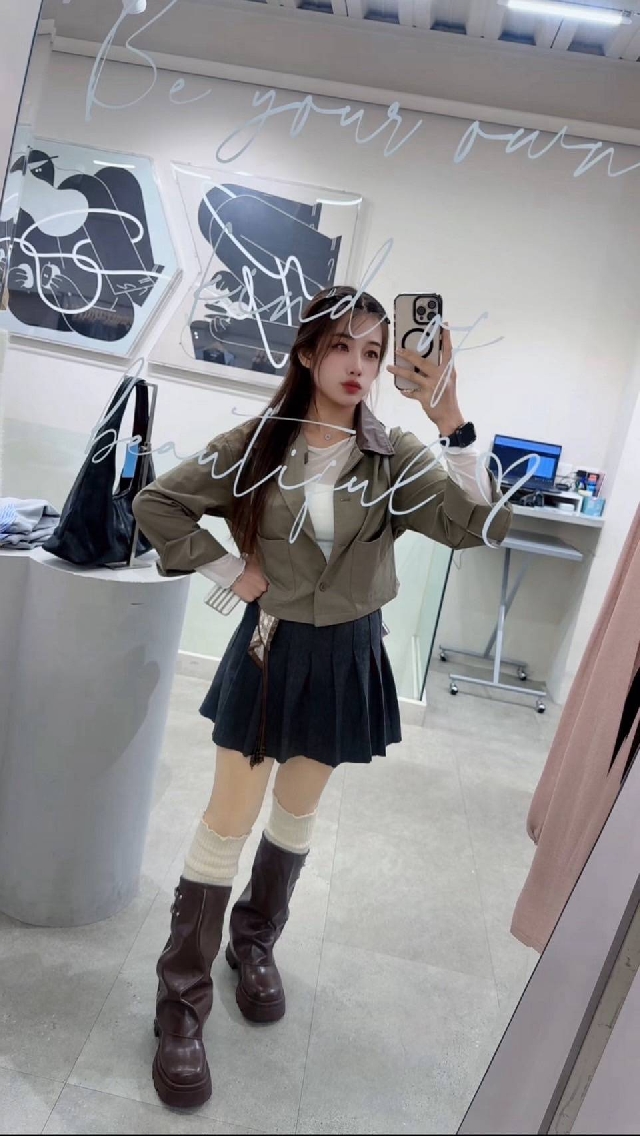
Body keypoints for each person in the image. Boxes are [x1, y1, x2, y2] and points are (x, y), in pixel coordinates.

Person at [132, 285, 512, 1110]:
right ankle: (179, 1003)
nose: (358, 366)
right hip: (270, 649)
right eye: (342, 345)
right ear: (308, 353)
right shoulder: (257, 444)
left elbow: (476, 528)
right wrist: (230, 570)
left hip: (348, 655)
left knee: (297, 813)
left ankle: (254, 942)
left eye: (374, 352)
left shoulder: (393, 453)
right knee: (227, 819)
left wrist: (452, 423)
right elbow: (157, 503)